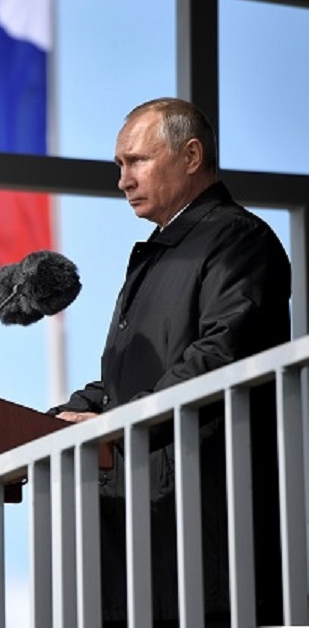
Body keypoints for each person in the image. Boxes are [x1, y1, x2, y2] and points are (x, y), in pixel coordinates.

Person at [49, 97, 291, 626]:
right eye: (120, 166)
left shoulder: (239, 240)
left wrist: (114, 425)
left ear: (191, 154)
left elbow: (220, 357)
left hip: (208, 543)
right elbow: (120, 383)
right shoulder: (160, 252)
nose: (123, 180)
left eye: (136, 161)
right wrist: (49, 424)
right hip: (139, 538)